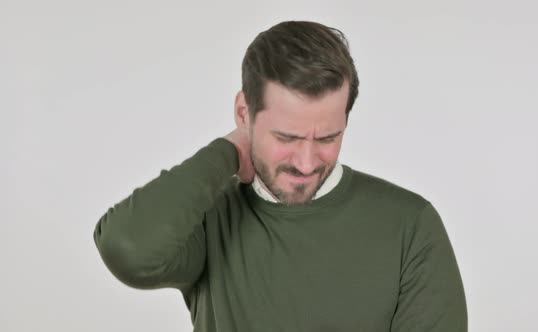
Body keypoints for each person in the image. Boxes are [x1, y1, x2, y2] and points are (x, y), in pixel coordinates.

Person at [93, 20, 467, 332]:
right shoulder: (211, 218)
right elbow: (127, 249)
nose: (306, 163)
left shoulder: (409, 224)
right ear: (244, 112)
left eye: (328, 138)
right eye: (286, 138)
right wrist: (227, 152)